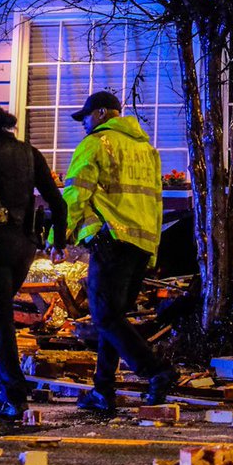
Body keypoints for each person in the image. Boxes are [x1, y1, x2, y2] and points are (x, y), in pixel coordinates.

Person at [51, 90, 177, 412]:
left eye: (87, 117)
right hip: (141, 244)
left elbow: (75, 195)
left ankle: (156, 372)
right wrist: (153, 251)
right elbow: (156, 203)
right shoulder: (147, 150)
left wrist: (57, 236)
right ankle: (102, 390)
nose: (84, 125)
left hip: (110, 241)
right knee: (112, 318)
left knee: (105, 315)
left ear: (105, 113)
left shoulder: (96, 144)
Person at [0, 96, 67, 420]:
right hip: (25, 247)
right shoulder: (30, 154)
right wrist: (57, 242)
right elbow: (58, 204)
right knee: (2, 321)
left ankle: (14, 394)